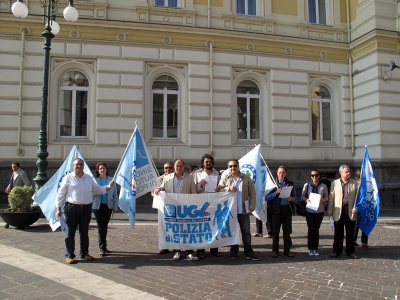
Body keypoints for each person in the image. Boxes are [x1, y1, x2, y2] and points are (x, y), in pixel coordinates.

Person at [56, 158, 114, 264]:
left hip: (86, 209)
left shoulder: (88, 178)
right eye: (77, 164)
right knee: (70, 233)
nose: (79, 166)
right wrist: (58, 208)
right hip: (71, 208)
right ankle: (69, 255)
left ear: (83, 166)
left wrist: (107, 187)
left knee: (84, 233)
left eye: (81, 164)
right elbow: (61, 194)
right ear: (73, 166)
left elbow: (96, 190)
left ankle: (84, 253)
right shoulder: (68, 178)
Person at [154, 159, 199, 261]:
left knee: (187, 231)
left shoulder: (190, 178)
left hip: (186, 209)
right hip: (173, 209)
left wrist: (194, 207)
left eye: (180, 166)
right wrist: (158, 189)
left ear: (184, 167)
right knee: (176, 231)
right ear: (174, 167)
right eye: (177, 166)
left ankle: (189, 252)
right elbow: (162, 187)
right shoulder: (167, 178)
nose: (178, 168)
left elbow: (194, 194)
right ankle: (177, 251)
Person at [217, 159, 261, 261]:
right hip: (230, 211)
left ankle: (248, 252)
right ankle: (234, 251)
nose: (233, 168)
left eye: (234, 166)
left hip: (243, 210)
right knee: (233, 232)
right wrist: (228, 188)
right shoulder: (226, 178)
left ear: (238, 166)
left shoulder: (246, 178)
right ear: (228, 167)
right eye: (230, 166)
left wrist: (252, 206)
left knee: (246, 232)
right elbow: (219, 190)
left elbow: (252, 193)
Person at [327, 165, 359, 259]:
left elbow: (359, 198)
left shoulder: (355, 183)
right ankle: (336, 250)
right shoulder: (334, 183)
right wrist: (330, 211)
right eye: (346, 172)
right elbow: (331, 197)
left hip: (350, 211)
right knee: (338, 233)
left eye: (349, 171)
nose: (348, 173)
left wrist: (357, 208)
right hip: (338, 210)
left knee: (350, 233)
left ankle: (351, 251)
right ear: (341, 173)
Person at [265, 165, 297, 258]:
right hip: (275, 211)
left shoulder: (290, 184)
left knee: (287, 232)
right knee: (275, 232)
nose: (281, 174)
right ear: (277, 173)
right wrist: (275, 192)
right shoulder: (272, 184)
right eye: (279, 172)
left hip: (287, 210)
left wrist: (291, 198)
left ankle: (287, 250)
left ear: (285, 173)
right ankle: (275, 251)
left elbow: (296, 198)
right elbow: (266, 197)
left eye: (283, 172)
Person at [192, 154, 221, 258]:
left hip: (213, 204)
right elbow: (193, 189)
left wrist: (219, 188)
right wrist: (200, 184)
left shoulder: (216, 173)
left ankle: (214, 249)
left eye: (210, 161)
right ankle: (201, 250)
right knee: (202, 228)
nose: (208, 163)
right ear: (203, 163)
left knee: (214, 227)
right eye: (206, 161)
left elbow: (220, 186)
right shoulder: (197, 173)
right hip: (202, 205)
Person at [92, 162, 118, 257]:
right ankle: (102, 248)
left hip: (108, 206)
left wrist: (115, 206)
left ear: (106, 170)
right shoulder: (94, 181)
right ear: (98, 171)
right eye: (100, 169)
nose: (102, 170)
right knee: (101, 227)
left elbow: (115, 194)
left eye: (103, 168)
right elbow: (93, 193)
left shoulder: (111, 180)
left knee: (105, 227)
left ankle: (104, 246)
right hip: (98, 207)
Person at [300, 169, 328, 256]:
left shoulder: (323, 186)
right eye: (312, 175)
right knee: (311, 229)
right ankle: (310, 248)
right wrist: (306, 200)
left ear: (319, 176)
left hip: (319, 211)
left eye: (316, 175)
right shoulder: (307, 185)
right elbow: (302, 197)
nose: (314, 177)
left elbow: (327, 198)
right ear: (310, 176)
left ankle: (315, 248)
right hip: (309, 211)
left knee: (316, 230)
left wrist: (322, 200)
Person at [157, 161, 173, 255]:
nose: (168, 169)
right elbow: (152, 192)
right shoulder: (159, 179)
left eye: (170, 168)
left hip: (174, 206)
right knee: (163, 227)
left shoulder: (175, 177)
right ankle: (164, 246)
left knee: (174, 227)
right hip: (162, 208)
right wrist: (156, 190)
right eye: (166, 168)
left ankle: (176, 246)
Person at [353, 169, 369, 249]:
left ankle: (364, 242)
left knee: (364, 224)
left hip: (365, 207)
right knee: (356, 225)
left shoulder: (367, 185)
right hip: (357, 207)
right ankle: (354, 240)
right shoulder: (355, 185)